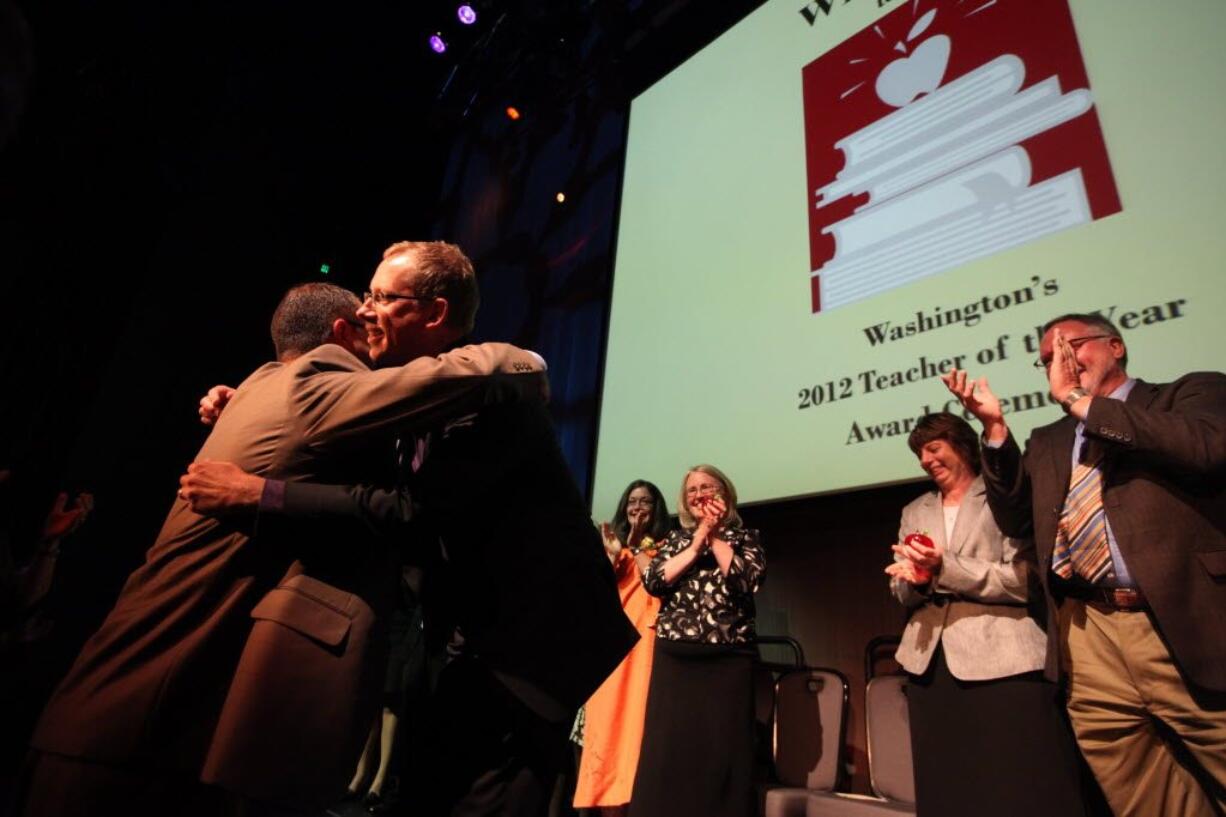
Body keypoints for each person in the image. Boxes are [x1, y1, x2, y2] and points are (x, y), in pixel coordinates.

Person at [22, 277, 546, 817]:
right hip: (134, 731)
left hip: (106, 713)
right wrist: (524, 357)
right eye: (365, 318)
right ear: (340, 335)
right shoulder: (321, 379)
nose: (375, 321)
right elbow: (467, 377)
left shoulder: (256, 385)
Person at [179, 240, 639, 817]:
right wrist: (248, 402)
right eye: (367, 296)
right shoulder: (410, 398)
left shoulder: (488, 398)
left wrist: (259, 493)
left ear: (435, 313)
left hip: (533, 647)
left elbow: (411, 513)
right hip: (469, 641)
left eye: (382, 297)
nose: (366, 311)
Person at [942, 312, 1226, 817]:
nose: (1062, 364)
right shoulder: (1049, 440)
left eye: (1073, 349)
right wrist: (995, 430)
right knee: (1144, 795)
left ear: (1115, 346)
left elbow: (1206, 448)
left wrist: (1079, 402)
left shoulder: (1187, 394)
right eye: (1050, 359)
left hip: (1181, 622)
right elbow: (1017, 519)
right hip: (1087, 632)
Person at [886, 412, 1085, 817]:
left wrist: (945, 569)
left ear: (961, 444)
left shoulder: (1004, 498)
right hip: (929, 665)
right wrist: (916, 581)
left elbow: (1027, 579)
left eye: (933, 448)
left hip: (1003, 662)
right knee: (946, 784)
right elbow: (903, 589)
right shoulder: (915, 509)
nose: (925, 460)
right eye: (919, 454)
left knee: (1011, 786)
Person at [627, 465, 764, 817]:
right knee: (669, 752)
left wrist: (714, 536)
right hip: (677, 661)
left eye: (707, 487)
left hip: (728, 659)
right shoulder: (674, 540)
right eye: (692, 490)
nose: (699, 494)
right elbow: (655, 581)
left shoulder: (745, 536)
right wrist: (696, 542)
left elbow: (745, 581)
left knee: (724, 754)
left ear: (724, 494)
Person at [573, 480, 671, 817]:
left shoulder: (665, 548)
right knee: (607, 730)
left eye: (645, 501)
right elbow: (595, 592)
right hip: (614, 649)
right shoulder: (612, 546)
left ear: (656, 508)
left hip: (645, 649)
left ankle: (630, 803)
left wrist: (639, 544)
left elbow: (655, 580)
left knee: (635, 733)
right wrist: (613, 556)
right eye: (632, 501)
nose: (637, 507)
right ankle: (604, 802)